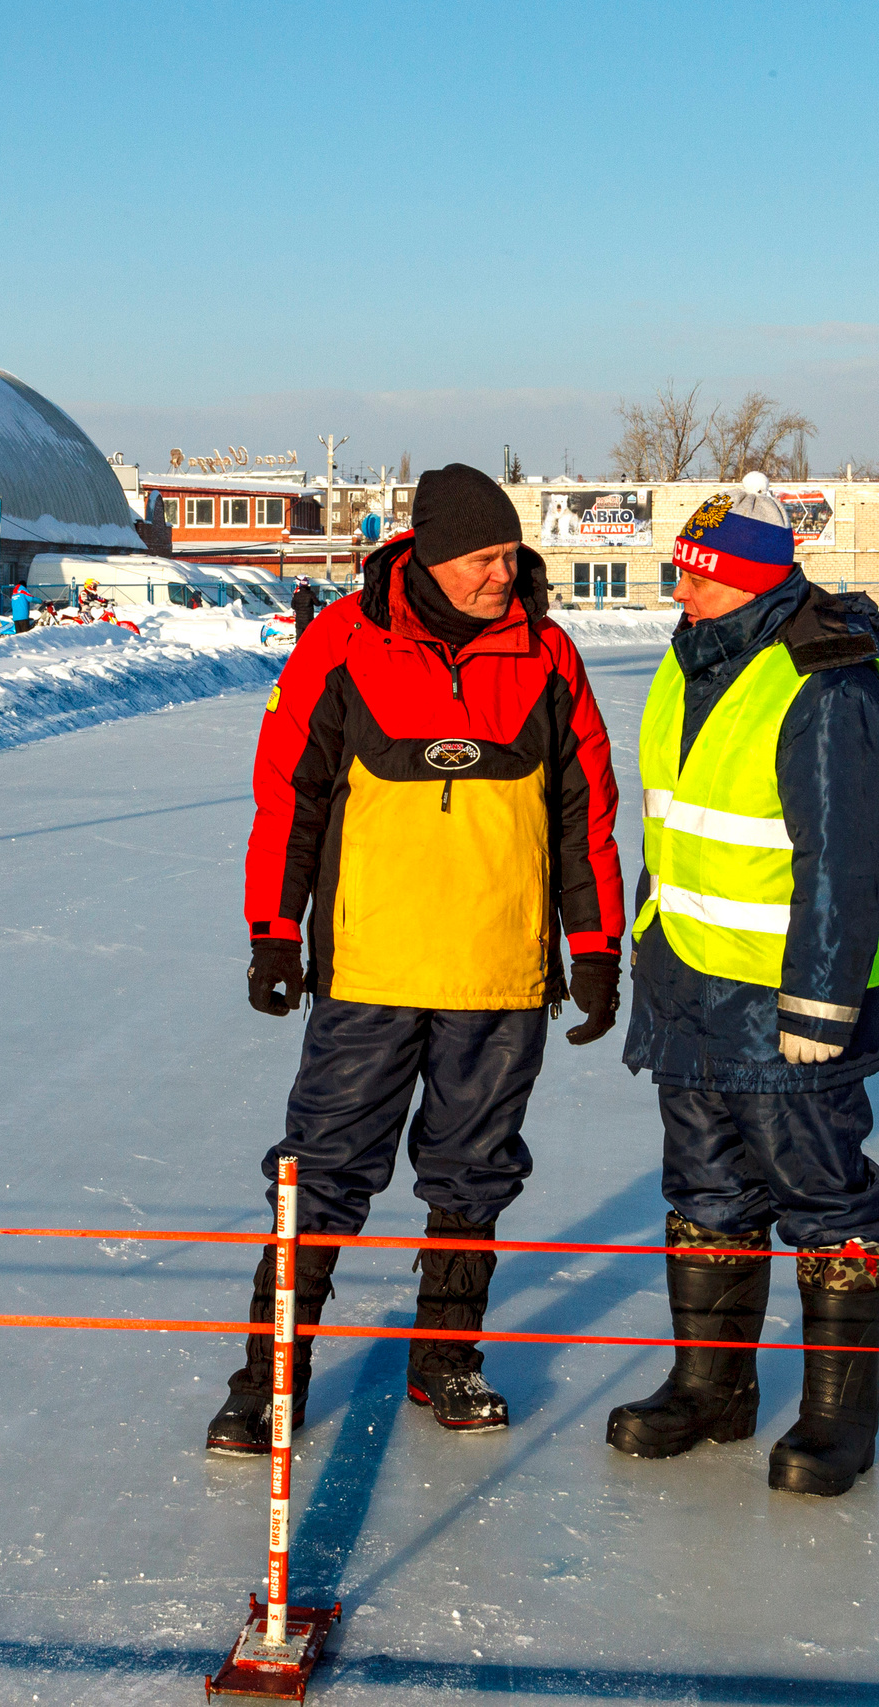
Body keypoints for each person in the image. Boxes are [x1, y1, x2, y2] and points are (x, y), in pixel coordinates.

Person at [207, 462, 626, 1454]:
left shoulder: (548, 654)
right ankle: (268, 1379)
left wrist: (596, 946)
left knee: (472, 1178)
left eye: (510, 555)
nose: (503, 574)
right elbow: (289, 796)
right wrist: (273, 931)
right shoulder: (341, 643)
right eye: (484, 558)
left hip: (499, 974)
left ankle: (446, 1358)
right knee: (319, 1175)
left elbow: (585, 811)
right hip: (371, 972)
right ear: (432, 558)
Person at [604, 475, 879, 1499]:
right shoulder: (691, 655)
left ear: (751, 580)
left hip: (783, 1002)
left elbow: (849, 856)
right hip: (687, 982)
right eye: (676, 571)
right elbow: (674, 824)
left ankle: (837, 1420)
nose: (677, 591)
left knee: (824, 1198)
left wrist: (821, 999)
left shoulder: (829, 676)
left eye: (696, 575)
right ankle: (712, 1388)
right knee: (706, 1189)